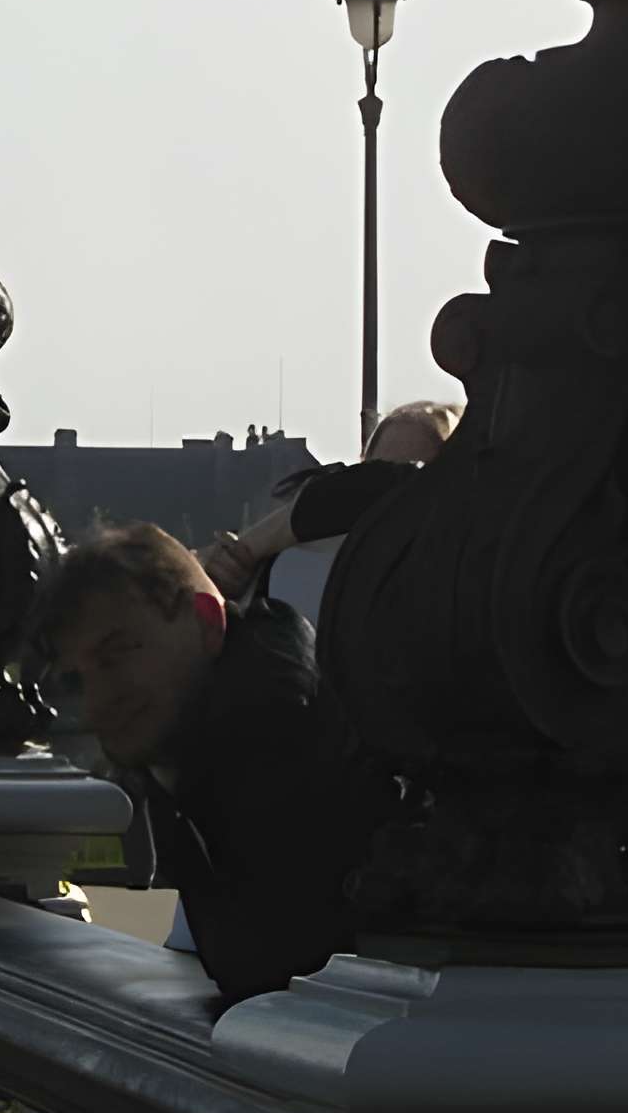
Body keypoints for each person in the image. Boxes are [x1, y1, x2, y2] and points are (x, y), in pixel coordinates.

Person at [29, 522, 397, 1005]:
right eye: (77, 679)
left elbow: (270, 970)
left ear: (206, 621)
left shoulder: (276, 761)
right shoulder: (219, 731)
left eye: (117, 655)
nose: (96, 703)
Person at [204, 399, 459, 617]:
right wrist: (235, 572)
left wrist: (253, 544)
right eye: (372, 470)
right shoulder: (303, 562)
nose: (381, 490)